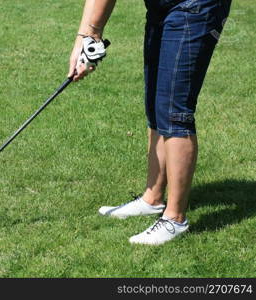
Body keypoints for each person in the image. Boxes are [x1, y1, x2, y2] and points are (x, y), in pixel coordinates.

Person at [69, 0, 232, 245]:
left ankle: (175, 219)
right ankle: (152, 198)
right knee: (156, 101)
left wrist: (91, 34)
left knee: (174, 110)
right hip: (161, 4)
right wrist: (84, 39)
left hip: (196, 5)